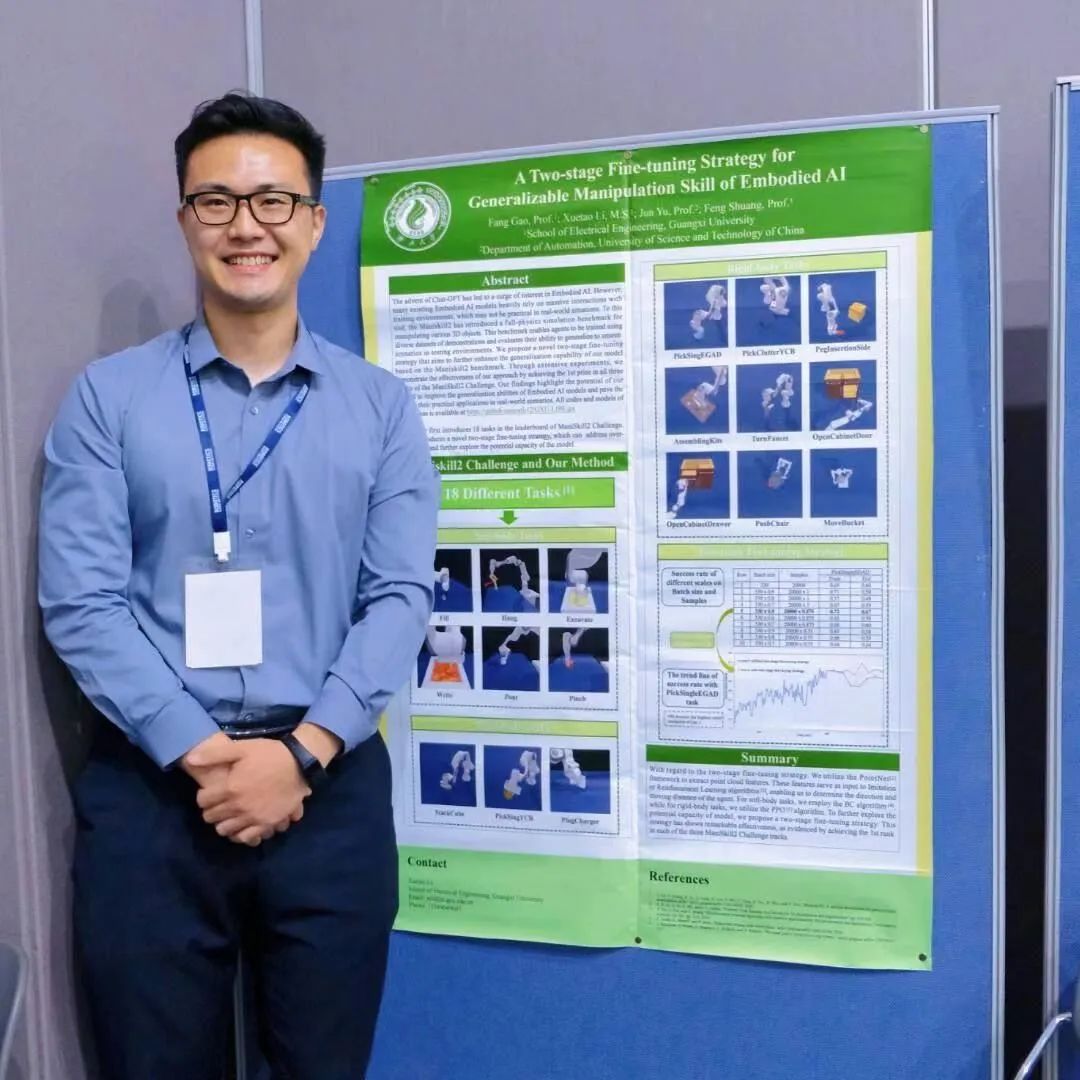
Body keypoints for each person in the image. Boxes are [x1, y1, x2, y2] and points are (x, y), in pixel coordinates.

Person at [38, 93, 439, 1079]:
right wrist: (207, 754)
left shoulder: (381, 408)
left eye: (273, 201)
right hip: (153, 796)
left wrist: (298, 757)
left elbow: (399, 599)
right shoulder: (108, 399)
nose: (245, 226)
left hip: (328, 791)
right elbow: (82, 602)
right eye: (215, 201)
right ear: (185, 220)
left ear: (315, 221)